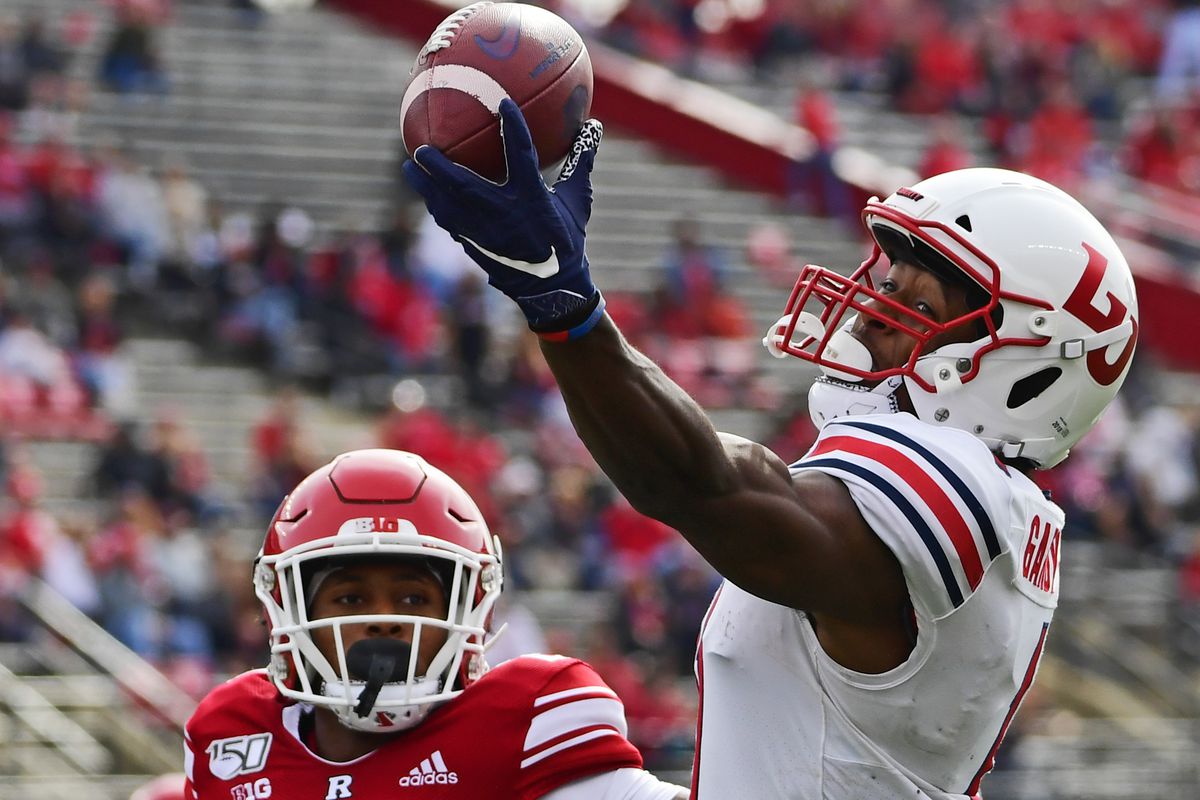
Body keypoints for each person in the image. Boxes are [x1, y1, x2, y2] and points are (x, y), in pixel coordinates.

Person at [403, 100, 1140, 798]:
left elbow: (707, 488)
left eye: (919, 307)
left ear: (1031, 365)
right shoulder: (992, 505)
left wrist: (564, 307)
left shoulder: (966, 487)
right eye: (889, 286)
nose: (877, 317)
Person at [184, 448, 687, 800]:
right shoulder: (231, 735)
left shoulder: (526, 719)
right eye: (350, 597)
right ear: (291, 611)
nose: (384, 621)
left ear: (468, 609)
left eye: (412, 597)